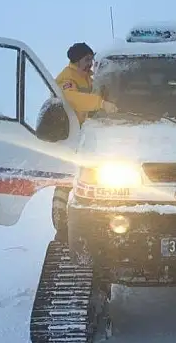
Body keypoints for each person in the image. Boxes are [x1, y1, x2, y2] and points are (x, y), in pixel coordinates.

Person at [52, 42, 118, 242]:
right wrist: (100, 103)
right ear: (76, 60)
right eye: (86, 60)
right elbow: (72, 99)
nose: (91, 63)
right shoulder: (67, 79)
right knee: (67, 179)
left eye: (91, 59)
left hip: (88, 135)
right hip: (70, 137)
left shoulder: (87, 77)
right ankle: (62, 225)